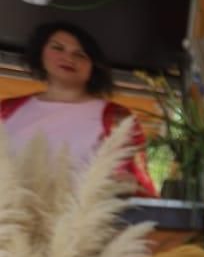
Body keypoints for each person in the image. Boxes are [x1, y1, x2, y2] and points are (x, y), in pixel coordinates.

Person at [1, 22, 157, 196]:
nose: (68, 58)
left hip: (81, 220)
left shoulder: (117, 118)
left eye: (80, 54)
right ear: (40, 54)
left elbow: (138, 184)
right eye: (57, 48)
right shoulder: (6, 111)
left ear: (93, 67)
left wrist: (125, 183)